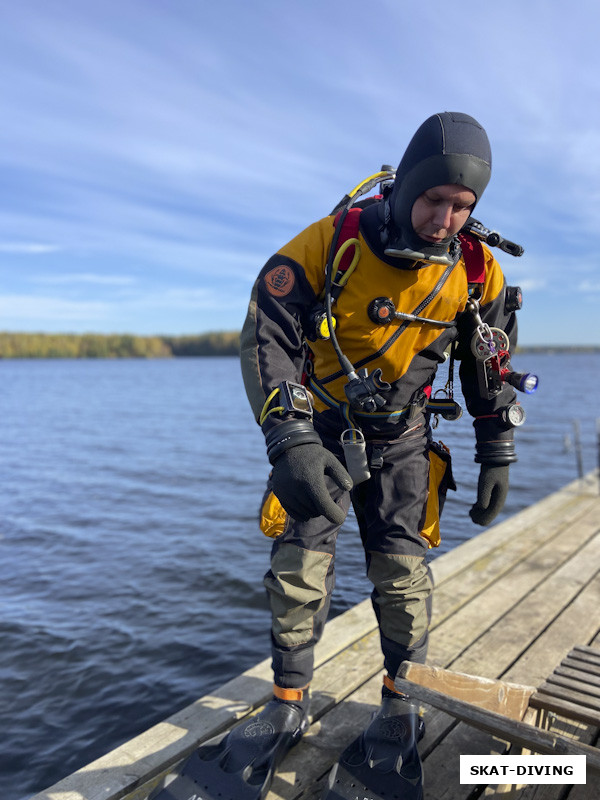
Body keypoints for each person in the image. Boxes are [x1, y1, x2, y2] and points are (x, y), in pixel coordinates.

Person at [153, 113, 525, 800]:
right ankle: (288, 699)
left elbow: (490, 360)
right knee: (298, 566)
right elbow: (268, 332)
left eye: (463, 205)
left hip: (406, 439)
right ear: (408, 185)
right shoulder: (333, 242)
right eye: (434, 199)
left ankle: (399, 702)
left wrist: (496, 446)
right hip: (320, 433)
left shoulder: (478, 271)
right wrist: (289, 439)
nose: (446, 218)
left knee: (402, 574)